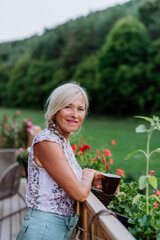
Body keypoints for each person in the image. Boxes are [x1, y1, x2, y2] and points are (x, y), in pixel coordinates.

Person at [16, 82, 102, 240]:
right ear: (56, 109)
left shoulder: (61, 141)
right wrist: (87, 174)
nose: (75, 114)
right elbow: (80, 194)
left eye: (80, 109)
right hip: (44, 230)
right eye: (68, 107)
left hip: (56, 230)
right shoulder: (47, 142)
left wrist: (91, 178)